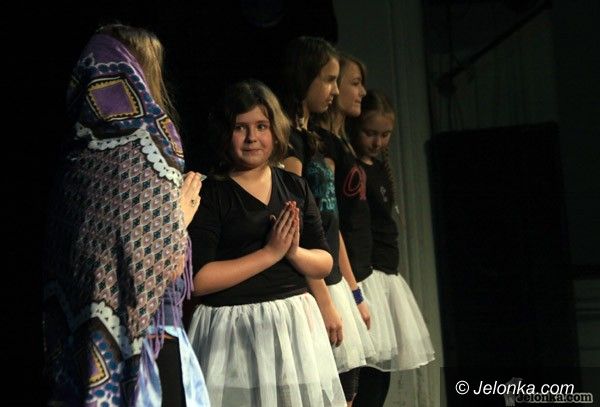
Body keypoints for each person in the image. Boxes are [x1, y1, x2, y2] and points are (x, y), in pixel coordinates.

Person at [42, 24, 209, 406]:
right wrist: (180, 216)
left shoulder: (73, 156)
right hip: (148, 348)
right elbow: (162, 263)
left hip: (84, 358)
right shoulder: (150, 143)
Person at [187, 80, 346, 407]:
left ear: (275, 130)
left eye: (261, 126)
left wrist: (294, 253)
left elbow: (324, 261)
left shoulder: (294, 186)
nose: (252, 137)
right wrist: (270, 253)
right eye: (240, 128)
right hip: (232, 331)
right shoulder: (212, 194)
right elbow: (198, 280)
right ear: (225, 133)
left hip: (291, 324)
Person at [281, 37, 375, 406]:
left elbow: (330, 223)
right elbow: (296, 226)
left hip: (332, 281)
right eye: (329, 80)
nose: (335, 91)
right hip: (311, 286)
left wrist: (354, 292)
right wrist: (323, 300)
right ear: (305, 77)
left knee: (348, 392)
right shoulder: (290, 141)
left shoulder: (314, 139)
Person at [348, 90, 435, 406]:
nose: (377, 142)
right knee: (364, 371)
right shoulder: (352, 169)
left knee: (381, 371)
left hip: (387, 275)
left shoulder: (378, 168)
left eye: (385, 135)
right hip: (365, 275)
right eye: (370, 133)